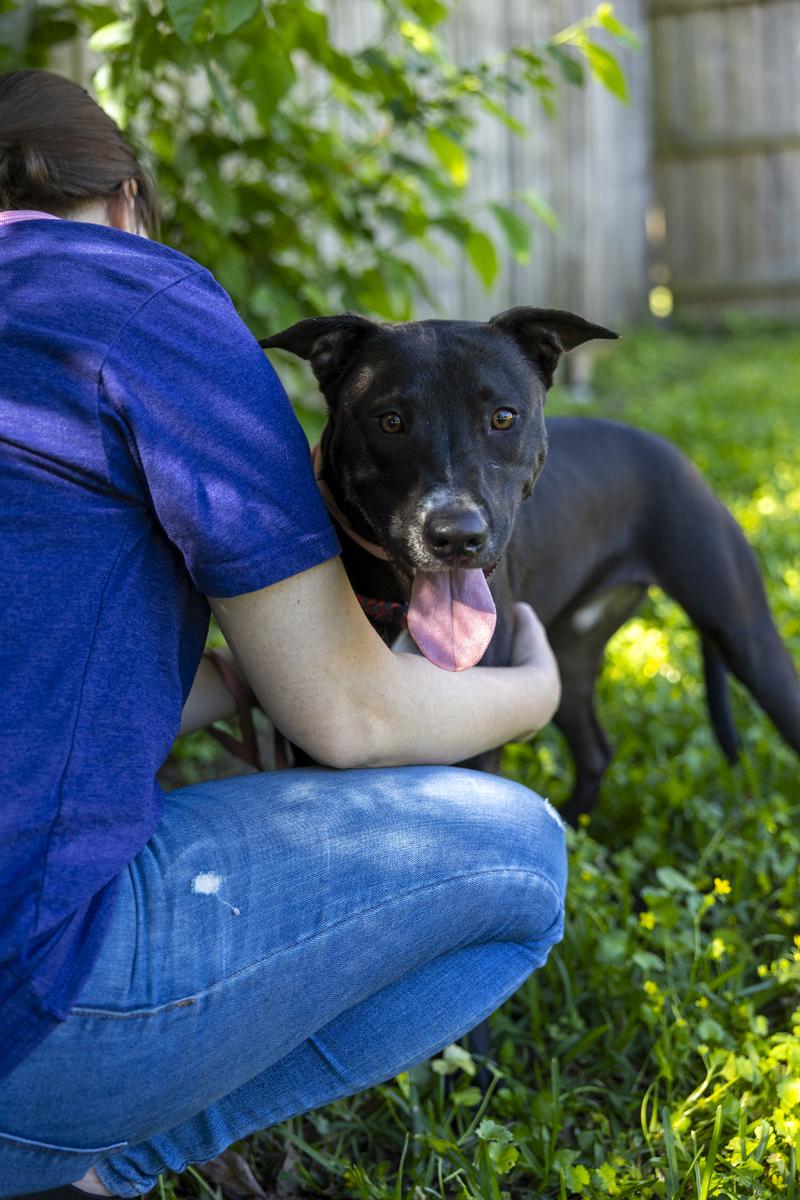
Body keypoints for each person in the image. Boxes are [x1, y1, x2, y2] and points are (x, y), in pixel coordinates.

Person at [0, 68, 566, 1200]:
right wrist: (535, 690)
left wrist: (226, 679)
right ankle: (103, 1165)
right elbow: (354, 718)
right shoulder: (138, 300)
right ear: (126, 202)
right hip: (26, 1027)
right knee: (522, 854)